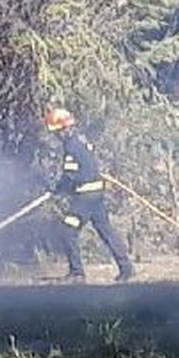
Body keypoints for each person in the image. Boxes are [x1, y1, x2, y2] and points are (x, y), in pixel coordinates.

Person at [45, 108, 134, 282]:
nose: (56, 136)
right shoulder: (82, 140)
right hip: (96, 194)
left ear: (62, 130)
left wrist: (57, 190)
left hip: (84, 197)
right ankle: (126, 267)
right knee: (105, 230)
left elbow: (70, 176)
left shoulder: (71, 147)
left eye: (56, 133)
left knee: (67, 231)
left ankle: (77, 273)